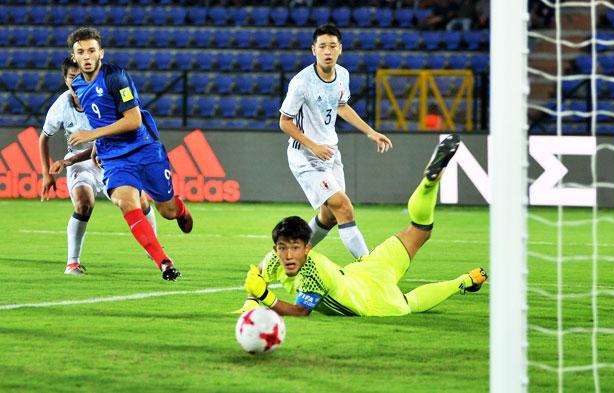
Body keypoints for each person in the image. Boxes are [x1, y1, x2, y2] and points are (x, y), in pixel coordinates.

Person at [236, 134, 487, 316]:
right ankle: (429, 185)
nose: (288, 255)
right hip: (368, 267)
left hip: (372, 299)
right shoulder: (273, 259)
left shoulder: (314, 273)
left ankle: (463, 281)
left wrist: (263, 297)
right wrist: (249, 304)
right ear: (275, 248)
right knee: (420, 230)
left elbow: (299, 311)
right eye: (282, 248)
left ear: (308, 248)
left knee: (408, 303)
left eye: (294, 248)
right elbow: (259, 276)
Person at [65, 27, 193, 281]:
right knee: (126, 202)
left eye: (92, 50)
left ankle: (179, 209)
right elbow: (98, 118)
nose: (87, 56)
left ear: (101, 52)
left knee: (165, 211)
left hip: (144, 149)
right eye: (81, 52)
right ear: (74, 57)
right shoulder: (77, 86)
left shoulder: (116, 77)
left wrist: (92, 135)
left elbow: (133, 120)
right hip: (114, 158)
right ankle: (164, 263)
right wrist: (99, 147)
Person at [279, 24, 393, 260]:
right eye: (322, 46)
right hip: (306, 156)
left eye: (332, 46)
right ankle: (370, 267)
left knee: (329, 217)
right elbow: (285, 122)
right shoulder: (301, 83)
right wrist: (314, 146)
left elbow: (341, 106)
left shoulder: (342, 75)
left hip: (330, 153)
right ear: (313, 50)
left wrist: (371, 132)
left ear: (340, 49)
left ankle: (288, 257)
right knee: (344, 207)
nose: (327, 51)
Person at [39, 57, 158, 275]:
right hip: (79, 163)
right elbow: (43, 138)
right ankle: (72, 263)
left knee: (139, 201)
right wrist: (47, 174)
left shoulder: (103, 96)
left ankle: (154, 246)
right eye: (71, 77)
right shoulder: (61, 105)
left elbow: (125, 125)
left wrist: (79, 156)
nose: (76, 81)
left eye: (79, 76)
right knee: (84, 203)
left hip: (109, 158)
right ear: (65, 80)